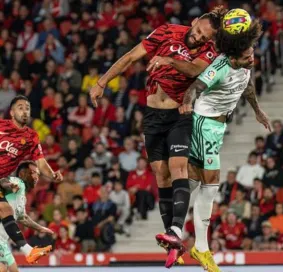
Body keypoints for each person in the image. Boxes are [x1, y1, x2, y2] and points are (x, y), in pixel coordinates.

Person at [89, 7, 227, 266]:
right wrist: (102, 82)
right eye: (197, 31)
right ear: (194, 21)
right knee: (160, 174)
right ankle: (172, 242)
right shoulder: (166, 32)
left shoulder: (210, 53)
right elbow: (131, 56)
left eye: (204, 38)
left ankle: (176, 230)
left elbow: (194, 70)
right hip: (152, 116)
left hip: (180, 115)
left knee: (178, 168)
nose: (197, 38)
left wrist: (169, 61)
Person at [180, 20, 270, 271]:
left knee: (196, 180)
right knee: (211, 182)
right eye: (247, 56)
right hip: (204, 124)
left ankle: (176, 232)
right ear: (233, 55)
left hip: (218, 127)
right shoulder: (218, 67)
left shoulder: (245, 62)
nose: (251, 59)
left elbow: (247, 86)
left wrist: (257, 111)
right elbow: (194, 87)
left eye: (252, 54)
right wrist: (187, 102)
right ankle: (200, 246)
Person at [0, 96, 61, 264]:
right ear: (12, 112)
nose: (25, 111)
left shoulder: (31, 136)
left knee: (5, 209)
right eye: (20, 108)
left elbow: (40, 162)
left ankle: (29, 252)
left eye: (27, 108)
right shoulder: (1, 126)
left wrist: (52, 174)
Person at [0, 161, 54, 271]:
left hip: (3, 240)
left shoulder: (22, 196)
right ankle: (29, 251)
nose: (36, 177)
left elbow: (22, 218)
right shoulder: (18, 182)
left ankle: (29, 252)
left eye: (38, 174)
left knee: (12, 270)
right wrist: (9, 185)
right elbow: (2, 181)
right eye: (33, 173)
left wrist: (40, 228)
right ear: (23, 174)